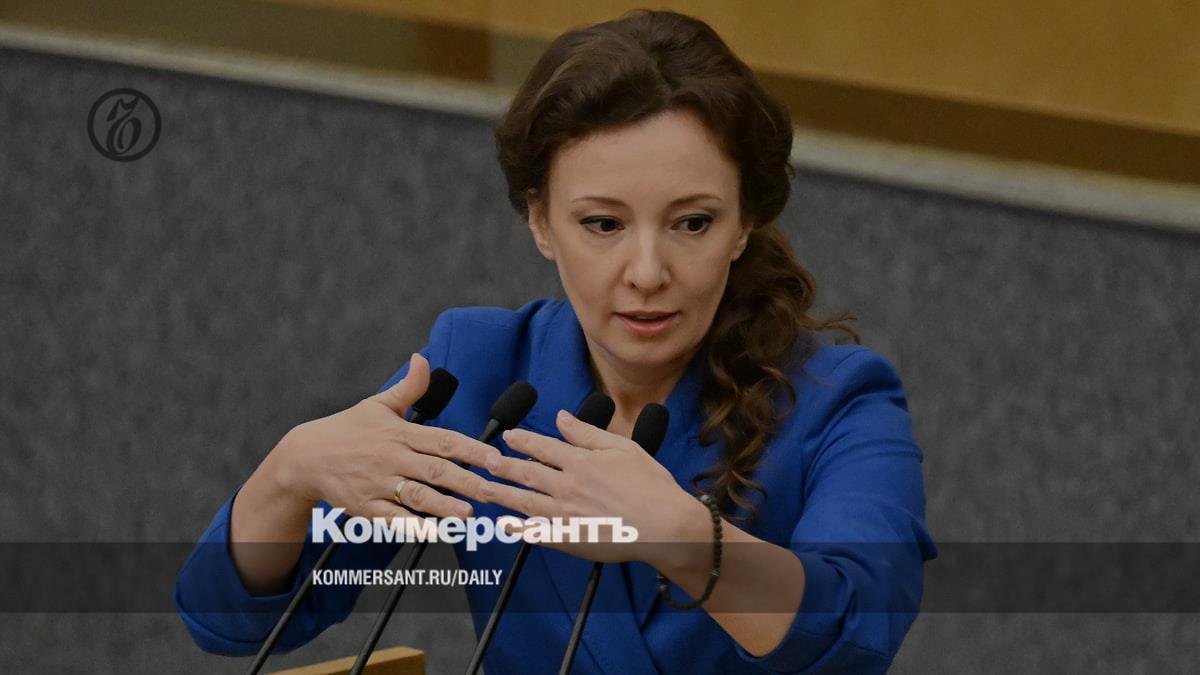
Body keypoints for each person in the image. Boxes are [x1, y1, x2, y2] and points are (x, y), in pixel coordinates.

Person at [175, 9, 937, 674]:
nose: (647, 272)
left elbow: (860, 630)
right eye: (603, 224)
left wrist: (681, 536)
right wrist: (292, 470)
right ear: (540, 221)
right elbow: (226, 618)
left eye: (693, 222)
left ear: (743, 225)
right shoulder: (477, 368)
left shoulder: (841, 398)